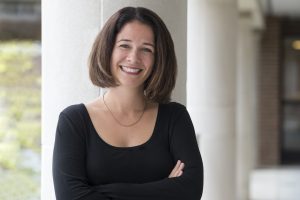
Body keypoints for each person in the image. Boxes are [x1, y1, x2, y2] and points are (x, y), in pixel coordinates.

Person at [52, 6, 203, 200]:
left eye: (146, 49)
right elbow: (70, 197)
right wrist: (165, 188)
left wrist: (100, 192)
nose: (134, 58)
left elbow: (190, 191)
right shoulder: (74, 121)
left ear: (159, 59)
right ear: (108, 49)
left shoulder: (175, 118)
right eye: (124, 45)